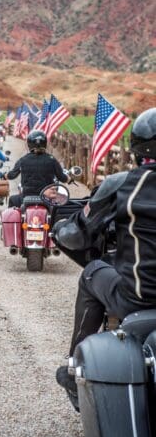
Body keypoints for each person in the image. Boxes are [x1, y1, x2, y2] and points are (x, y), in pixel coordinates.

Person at [54, 108, 156, 403]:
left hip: (139, 298)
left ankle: (75, 372)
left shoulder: (124, 183)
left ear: (137, 148)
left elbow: (75, 236)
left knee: (91, 273)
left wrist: (61, 227)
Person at [5, 130, 68, 208]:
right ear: (45, 143)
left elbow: (12, 175)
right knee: (60, 204)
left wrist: (6, 175)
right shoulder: (52, 160)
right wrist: (69, 178)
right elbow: (63, 178)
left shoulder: (23, 160)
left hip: (26, 196)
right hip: (46, 196)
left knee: (12, 200)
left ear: (29, 144)